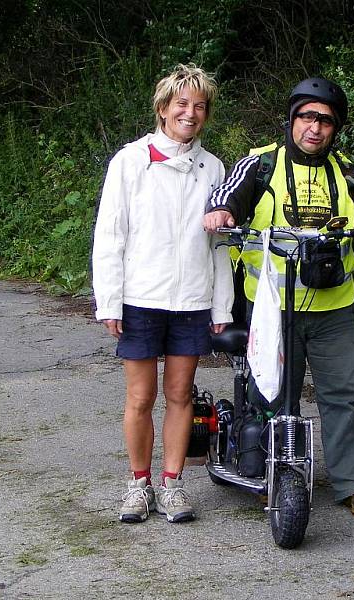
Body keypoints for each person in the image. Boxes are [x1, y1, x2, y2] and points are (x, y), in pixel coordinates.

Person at [203, 77, 354, 518]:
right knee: (268, 391)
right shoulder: (260, 165)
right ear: (292, 120)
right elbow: (226, 195)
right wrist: (224, 211)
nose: (315, 128)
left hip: (333, 309)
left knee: (343, 394)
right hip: (272, 306)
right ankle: (263, 467)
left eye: (326, 121)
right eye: (307, 116)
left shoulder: (348, 172)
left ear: (335, 129)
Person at [92, 64, 233, 524]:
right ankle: (139, 485)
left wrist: (222, 304)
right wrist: (110, 300)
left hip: (192, 300)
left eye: (199, 106)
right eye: (182, 105)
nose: (190, 114)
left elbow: (219, 243)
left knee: (180, 395)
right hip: (140, 298)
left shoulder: (213, 168)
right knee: (140, 397)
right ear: (162, 109)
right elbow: (110, 236)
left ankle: (172, 485)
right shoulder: (130, 161)